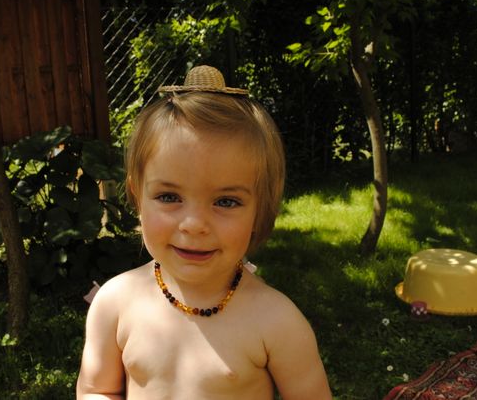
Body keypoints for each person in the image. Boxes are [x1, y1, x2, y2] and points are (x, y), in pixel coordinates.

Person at [76, 65, 332, 399]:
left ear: (260, 210)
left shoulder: (277, 322)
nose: (194, 224)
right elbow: (97, 389)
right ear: (138, 198)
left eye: (226, 201)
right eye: (169, 197)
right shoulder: (115, 304)